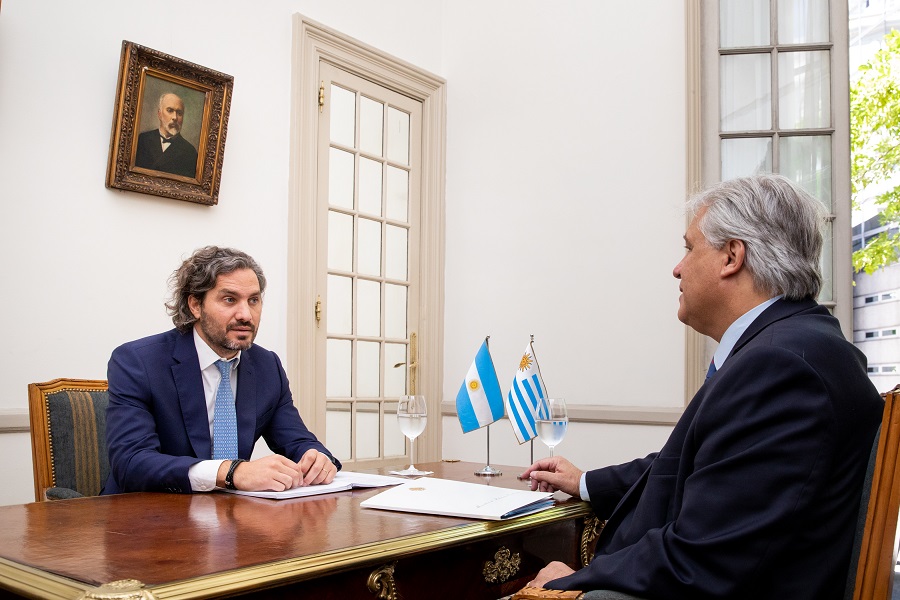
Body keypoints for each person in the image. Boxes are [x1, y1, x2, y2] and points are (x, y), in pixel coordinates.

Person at [521, 174, 884, 599]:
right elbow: (705, 465)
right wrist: (586, 483)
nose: (677, 267)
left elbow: (704, 558)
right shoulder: (802, 344)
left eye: (689, 248)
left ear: (732, 256)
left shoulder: (780, 366)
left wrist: (572, 582)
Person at [103, 246, 340, 495]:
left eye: (254, 300)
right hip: (143, 517)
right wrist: (231, 472)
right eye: (229, 300)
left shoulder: (267, 366)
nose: (246, 315)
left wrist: (317, 458)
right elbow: (131, 463)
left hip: (230, 517)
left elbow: (297, 440)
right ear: (195, 304)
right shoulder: (138, 361)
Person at [134, 92, 199, 178]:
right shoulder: (142, 139)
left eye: (179, 113)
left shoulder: (190, 152)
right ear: (159, 114)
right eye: (170, 110)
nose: (175, 117)